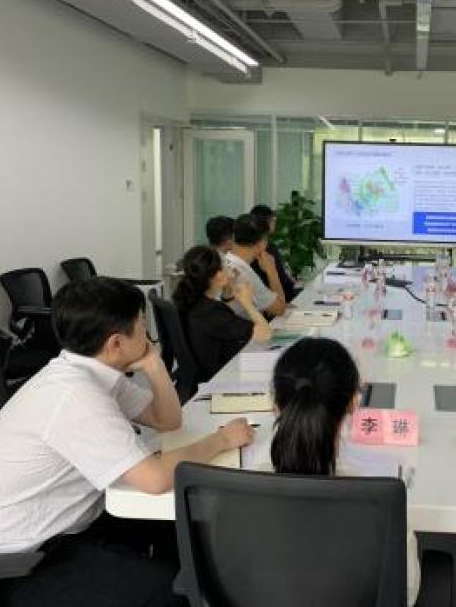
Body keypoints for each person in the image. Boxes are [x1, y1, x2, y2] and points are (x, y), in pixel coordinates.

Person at [0, 277, 254, 607]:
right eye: (142, 325)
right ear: (115, 344)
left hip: (69, 527)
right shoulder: (75, 395)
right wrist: (222, 439)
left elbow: (167, 420)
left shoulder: (88, 369)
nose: (147, 333)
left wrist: (154, 364)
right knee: (168, 589)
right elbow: (154, 479)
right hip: (18, 564)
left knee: (188, 532)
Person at [267, 338, 420, 604]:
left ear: (275, 404)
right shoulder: (383, 496)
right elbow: (404, 592)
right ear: (353, 403)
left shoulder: (229, 487)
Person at [173, 245, 272, 380]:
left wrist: (227, 293)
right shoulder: (211, 312)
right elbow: (265, 334)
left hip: (208, 369)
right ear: (218, 275)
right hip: (222, 375)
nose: (230, 268)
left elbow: (223, 323)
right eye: (226, 264)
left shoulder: (194, 302)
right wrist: (247, 303)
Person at [224, 214, 286, 318]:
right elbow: (280, 308)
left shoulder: (224, 262)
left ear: (233, 237)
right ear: (261, 243)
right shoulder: (244, 273)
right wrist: (272, 271)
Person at [250, 204, 299, 302]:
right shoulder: (266, 249)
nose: (275, 223)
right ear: (267, 222)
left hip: (279, 294)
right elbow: (279, 278)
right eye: (273, 220)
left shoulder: (264, 245)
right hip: (281, 297)